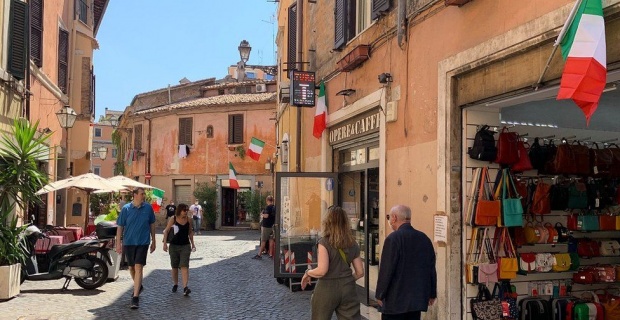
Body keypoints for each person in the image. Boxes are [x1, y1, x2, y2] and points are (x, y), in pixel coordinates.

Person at [300, 206, 364, 320]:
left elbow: (322, 270)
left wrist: (308, 272)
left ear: (327, 222)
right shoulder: (353, 243)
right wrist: (346, 280)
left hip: (326, 287)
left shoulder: (324, 242)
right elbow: (360, 272)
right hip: (348, 287)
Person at [375, 205, 437, 320]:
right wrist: (432, 293)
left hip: (395, 300)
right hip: (416, 301)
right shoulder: (424, 238)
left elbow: (386, 270)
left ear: (394, 218)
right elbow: (431, 268)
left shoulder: (393, 239)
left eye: (389, 217)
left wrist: (380, 294)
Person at [115, 187, 156, 310]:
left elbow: (152, 224)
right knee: (131, 267)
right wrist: (118, 243)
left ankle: (135, 297)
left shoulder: (148, 208)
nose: (144, 196)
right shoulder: (126, 209)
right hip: (129, 242)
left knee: (138, 266)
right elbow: (120, 227)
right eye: (142, 194)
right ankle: (138, 286)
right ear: (135, 195)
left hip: (143, 242)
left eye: (144, 194)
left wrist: (154, 240)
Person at [162, 203, 196, 296]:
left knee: (184, 265)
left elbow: (190, 232)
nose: (186, 212)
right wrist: (165, 243)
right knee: (174, 266)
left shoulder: (189, 220)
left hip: (185, 245)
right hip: (174, 246)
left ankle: (185, 287)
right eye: (184, 210)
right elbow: (166, 231)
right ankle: (175, 284)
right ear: (179, 211)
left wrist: (193, 244)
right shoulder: (173, 219)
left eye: (187, 210)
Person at [252, 195, 275, 260]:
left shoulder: (268, 207)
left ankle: (259, 255)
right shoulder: (274, 207)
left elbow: (266, 216)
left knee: (263, 240)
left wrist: (262, 214)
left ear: (267, 200)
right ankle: (270, 254)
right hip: (272, 226)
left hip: (266, 226)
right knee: (271, 240)